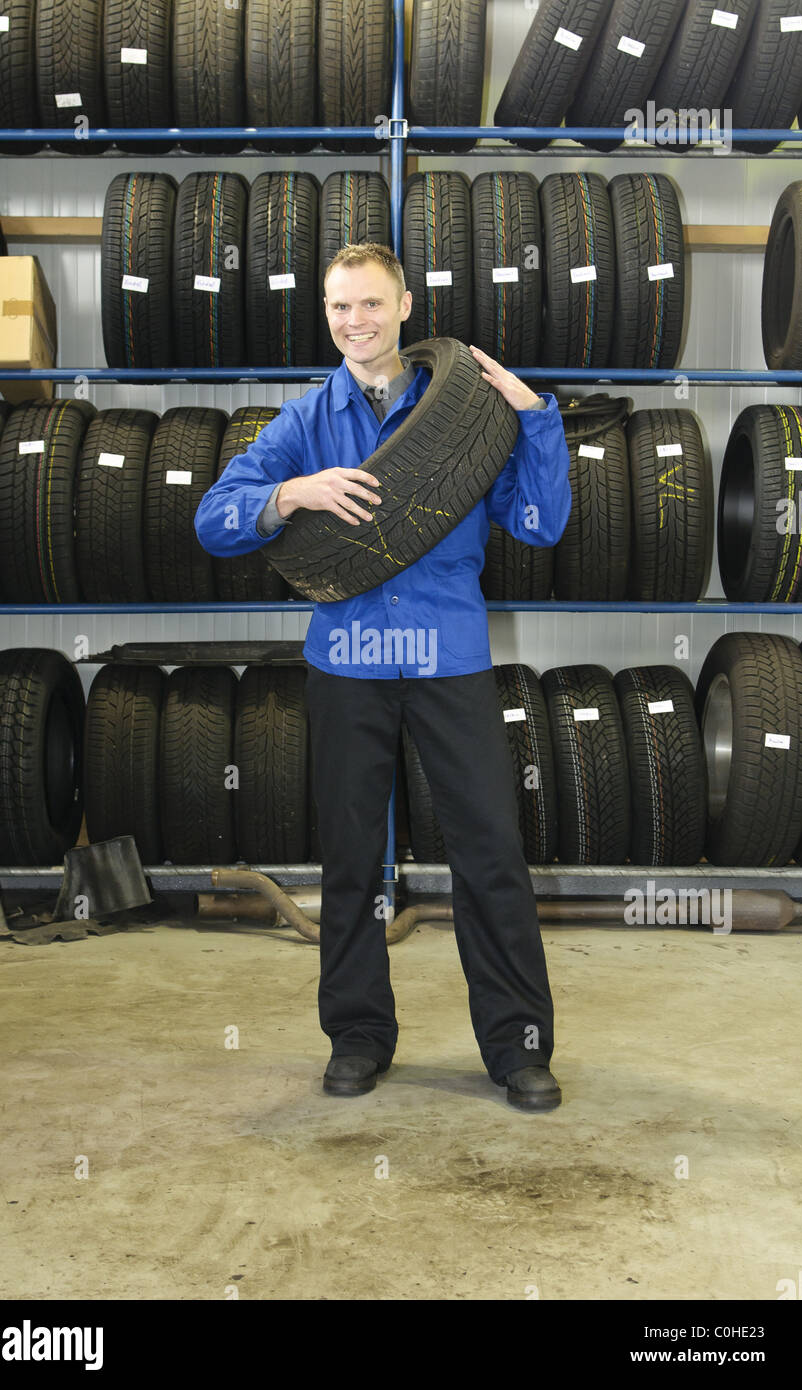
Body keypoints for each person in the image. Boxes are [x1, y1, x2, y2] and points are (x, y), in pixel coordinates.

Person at [195, 242, 572, 1111]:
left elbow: (538, 524)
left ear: (405, 309)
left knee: (489, 853)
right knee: (352, 858)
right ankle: (358, 1037)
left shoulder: (467, 410)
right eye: (338, 307)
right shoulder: (304, 421)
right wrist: (292, 496)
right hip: (348, 661)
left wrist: (533, 414)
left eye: (370, 305)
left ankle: (517, 1048)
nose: (354, 322)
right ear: (324, 314)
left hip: (446, 654)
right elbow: (214, 519)